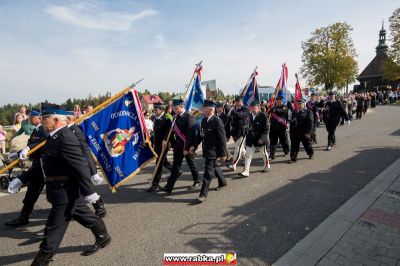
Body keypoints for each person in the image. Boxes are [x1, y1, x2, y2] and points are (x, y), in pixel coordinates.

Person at [7, 105, 111, 265]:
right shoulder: (52, 138)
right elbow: (43, 163)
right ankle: (103, 236)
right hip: (59, 193)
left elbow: (80, 166)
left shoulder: (66, 138)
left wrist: (90, 193)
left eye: (44, 118)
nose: (41, 122)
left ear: (55, 120)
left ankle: (41, 261)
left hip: (66, 194)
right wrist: (23, 178)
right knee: (83, 214)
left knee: (52, 234)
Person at [5, 108, 48, 227]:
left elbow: (40, 144)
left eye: (31, 117)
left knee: (58, 196)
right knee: (31, 193)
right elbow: (31, 146)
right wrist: (18, 152)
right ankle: (23, 217)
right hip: (37, 166)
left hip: (45, 166)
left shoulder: (44, 129)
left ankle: (96, 205)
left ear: (38, 117)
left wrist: (28, 149)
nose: (29, 119)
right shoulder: (37, 129)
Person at [160, 98, 200, 194]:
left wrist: (187, 148)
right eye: (173, 109)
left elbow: (190, 134)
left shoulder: (189, 117)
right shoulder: (175, 117)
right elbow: (170, 130)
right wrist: (165, 139)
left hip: (187, 145)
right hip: (178, 146)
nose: (174, 110)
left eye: (175, 108)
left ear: (181, 107)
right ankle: (169, 187)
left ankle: (197, 181)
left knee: (191, 164)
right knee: (175, 166)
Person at [194, 100, 228, 203]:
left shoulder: (217, 121)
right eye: (203, 108)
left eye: (204, 108)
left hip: (213, 151)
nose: (202, 110)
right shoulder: (204, 120)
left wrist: (223, 154)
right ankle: (223, 182)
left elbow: (222, 139)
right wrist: (194, 146)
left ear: (211, 109)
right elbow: (202, 135)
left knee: (208, 172)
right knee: (214, 166)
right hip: (206, 150)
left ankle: (203, 194)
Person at [146, 103, 173, 192]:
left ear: (161, 110)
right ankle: (175, 171)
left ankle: (155, 184)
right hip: (157, 145)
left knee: (159, 164)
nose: (154, 111)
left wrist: (165, 140)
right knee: (163, 161)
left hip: (164, 145)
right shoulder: (156, 119)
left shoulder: (166, 119)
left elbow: (169, 132)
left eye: (156, 110)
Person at [240, 101, 270, 177]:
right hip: (251, 139)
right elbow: (245, 126)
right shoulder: (248, 116)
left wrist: (262, 139)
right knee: (248, 155)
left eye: (255, 107)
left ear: (258, 108)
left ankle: (267, 165)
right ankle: (246, 171)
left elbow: (266, 129)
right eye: (252, 107)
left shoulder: (263, 116)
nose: (253, 109)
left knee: (263, 154)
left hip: (260, 139)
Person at [227, 96, 250, 171]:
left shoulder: (245, 109)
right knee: (242, 148)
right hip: (235, 131)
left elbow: (240, 115)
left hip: (242, 131)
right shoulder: (235, 110)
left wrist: (234, 111)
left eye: (238, 101)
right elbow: (231, 119)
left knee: (238, 148)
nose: (236, 103)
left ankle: (234, 164)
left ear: (241, 102)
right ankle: (247, 159)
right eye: (236, 102)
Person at [289, 99, 314, 163]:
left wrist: (308, 133)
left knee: (307, 144)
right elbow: (292, 122)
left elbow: (311, 123)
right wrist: (291, 132)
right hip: (295, 132)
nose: (299, 105)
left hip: (304, 132)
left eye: (301, 103)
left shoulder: (308, 112)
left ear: (304, 104)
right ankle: (293, 157)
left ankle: (310, 153)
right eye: (298, 103)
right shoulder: (294, 112)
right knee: (294, 145)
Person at [268, 94, 290, 160]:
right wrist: (269, 107)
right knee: (273, 142)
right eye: (277, 100)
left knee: (284, 141)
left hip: (281, 128)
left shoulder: (284, 107)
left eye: (280, 100)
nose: (278, 102)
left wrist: (274, 109)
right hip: (273, 128)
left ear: (282, 101)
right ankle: (272, 155)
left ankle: (286, 152)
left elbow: (282, 112)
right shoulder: (273, 107)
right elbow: (267, 113)